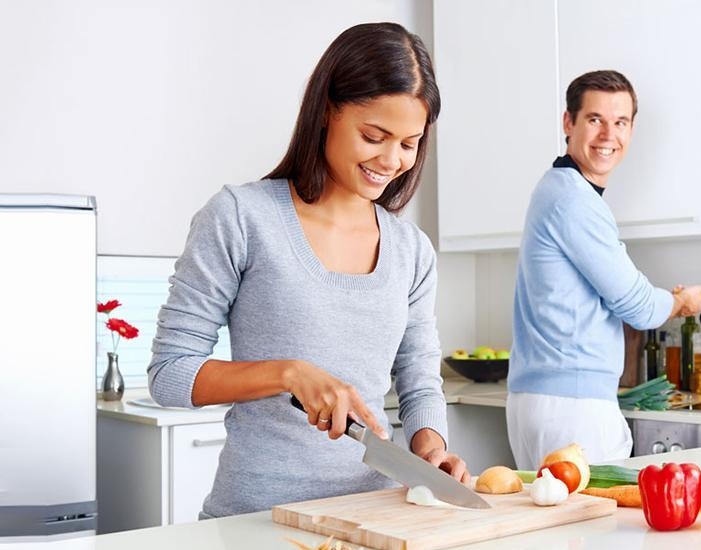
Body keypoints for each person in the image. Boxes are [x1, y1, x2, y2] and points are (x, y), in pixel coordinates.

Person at [148, 22, 469, 519]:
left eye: (409, 144)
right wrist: (289, 373)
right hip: (255, 520)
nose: (391, 160)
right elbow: (170, 376)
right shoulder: (241, 217)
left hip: (373, 520)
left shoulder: (411, 250)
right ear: (325, 112)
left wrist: (431, 448)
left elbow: (420, 380)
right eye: (374, 136)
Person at [506, 70, 701, 469]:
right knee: (596, 530)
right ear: (569, 122)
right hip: (572, 408)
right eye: (595, 119)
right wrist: (682, 302)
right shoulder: (573, 200)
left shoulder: (562, 191)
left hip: (553, 401)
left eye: (620, 122)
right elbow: (638, 306)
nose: (607, 135)